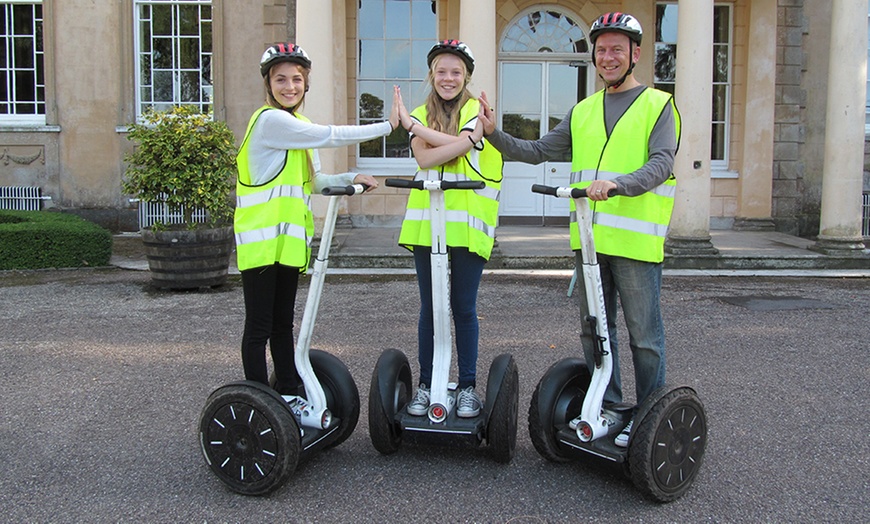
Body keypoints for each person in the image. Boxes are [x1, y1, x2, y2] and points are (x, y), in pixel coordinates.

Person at [479, 13, 681, 447]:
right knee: (595, 330)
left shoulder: (658, 106)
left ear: (635, 55)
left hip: (634, 242)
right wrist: (494, 133)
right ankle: (608, 405)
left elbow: (662, 163)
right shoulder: (583, 111)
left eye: (617, 49)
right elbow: (534, 151)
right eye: (602, 50)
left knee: (644, 337)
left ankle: (647, 420)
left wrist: (618, 184)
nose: (608, 57)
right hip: (589, 244)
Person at [234, 43, 401, 412]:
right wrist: (388, 126)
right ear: (268, 84)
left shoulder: (298, 128)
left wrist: (350, 176)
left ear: (306, 84)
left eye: (297, 79)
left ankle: (289, 394)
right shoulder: (269, 122)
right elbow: (332, 135)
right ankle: (258, 403)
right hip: (261, 246)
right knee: (259, 328)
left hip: (288, 246)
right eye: (281, 79)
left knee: (283, 326)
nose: (289, 86)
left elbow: (315, 182)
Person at [395, 40, 503, 418]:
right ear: (432, 75)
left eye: (456, 72)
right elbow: (425, 158)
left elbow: (462, 146)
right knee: (430, 308)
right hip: (428, 227)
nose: (448, 78)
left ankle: (468, 386)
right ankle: (427, 384)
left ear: (466, 77)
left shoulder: (477, 108)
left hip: (468, 227)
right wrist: (460, 141)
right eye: (441, 71)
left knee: (463, 308)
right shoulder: (418, 111)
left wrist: (431, 133)